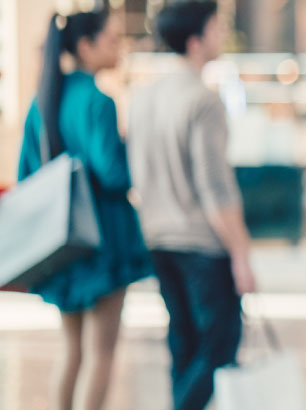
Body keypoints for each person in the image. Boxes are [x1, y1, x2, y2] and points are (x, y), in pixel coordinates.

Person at [16, 9, 152, 410]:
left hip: (61, 241)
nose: (119, 47)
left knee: (72, 349)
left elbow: (26, 173)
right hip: (104, 239)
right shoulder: (99, 100)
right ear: (85, 46)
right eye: (112, 39)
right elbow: (113, 174)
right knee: (102, 352)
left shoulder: (42, 101)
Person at [125, 2, 255, 409]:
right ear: (196, 40)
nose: (222, 35)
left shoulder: (143, 99)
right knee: (219, 347)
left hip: (159, 239)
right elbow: (215, 188)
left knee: (183, 344)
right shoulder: (203, 101)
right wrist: (241, 254)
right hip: (202, 244)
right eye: (217, 27)